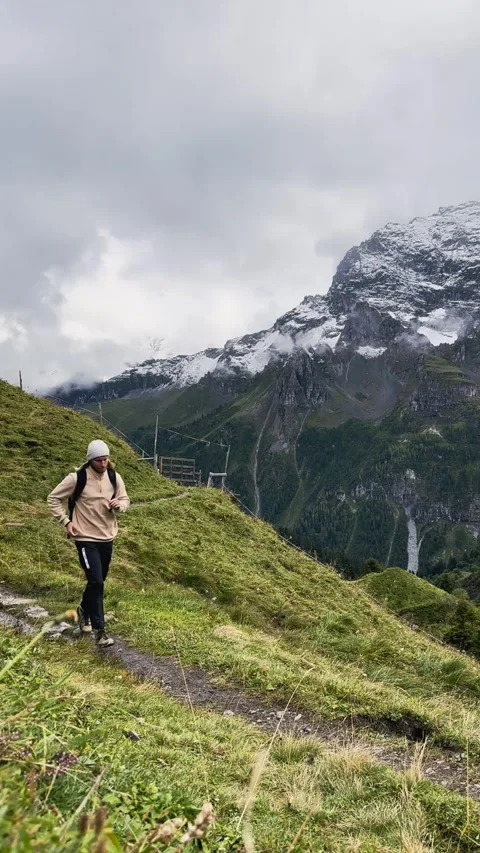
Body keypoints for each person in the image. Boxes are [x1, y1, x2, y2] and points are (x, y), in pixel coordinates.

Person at [47, 439, 130, 647]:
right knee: (97, 582)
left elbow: (125, 500)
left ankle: (83, 610)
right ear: (90, 460)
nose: (104, 464)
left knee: (97, 580)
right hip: (84, 537)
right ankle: (100, 632)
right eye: (100, 460)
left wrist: (119, 505)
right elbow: (53, 498)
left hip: (107, 536)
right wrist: (66, 522)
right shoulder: (77, 478)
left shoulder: (114, 476)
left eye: (106, 459)